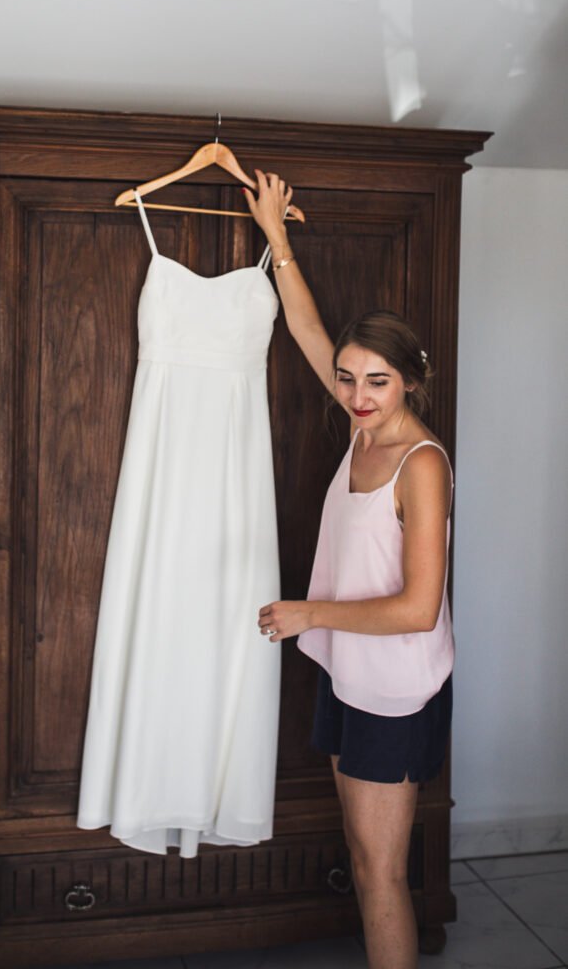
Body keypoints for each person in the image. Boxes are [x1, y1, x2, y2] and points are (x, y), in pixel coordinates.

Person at [243, 171, 454, 969]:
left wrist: (309, 613)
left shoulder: (418, 463)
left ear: (410, 381)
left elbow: (417, 609)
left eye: (377, 382)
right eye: (347, 378)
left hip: (392, 690)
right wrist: (277, 237)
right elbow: (307, 331)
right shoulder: (364, 428)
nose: (357, 396)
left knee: (378, 872)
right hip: (347, 671)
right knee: (363, 860)